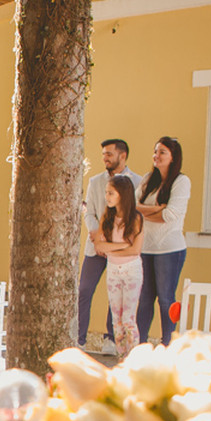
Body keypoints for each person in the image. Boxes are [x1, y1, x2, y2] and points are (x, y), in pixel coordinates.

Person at [79, 139, 142, 352]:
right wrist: (98, 234)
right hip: (98, 242)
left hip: (124, 258)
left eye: (109, 154)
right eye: (103, 154)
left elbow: (135, 220)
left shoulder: (137, 182)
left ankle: (111, 340)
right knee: (85, 290)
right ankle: (79, 339)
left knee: (122, 307)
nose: (105, 157)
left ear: (122, 156)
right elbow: (89, 211)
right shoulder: (96, 182)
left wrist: (111, 245)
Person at [136, 136, 190, 346]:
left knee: (166, 298)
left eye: (162, 152)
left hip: (169, 249)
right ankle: (140, 346)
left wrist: (146, 211)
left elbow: (171, 215)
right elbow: (132, 206)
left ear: (173, 157)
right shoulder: (148, 179)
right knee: (145, 299)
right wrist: (159, 208)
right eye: (156, 151)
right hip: (145, 247)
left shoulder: (181, 182)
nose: (156, 156)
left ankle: (169, 345)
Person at [93, 176, 144, 358]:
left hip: (131, 271)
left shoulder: (135, 219)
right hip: (114, 271)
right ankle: (122, 357)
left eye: (111, 193)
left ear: (122, 195)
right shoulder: (107, 217)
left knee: (128, 318)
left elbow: (135, 250)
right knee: (116, 319)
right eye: (107, 192)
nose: (107, 196)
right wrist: (122, 246)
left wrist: (112, 249)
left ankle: (133, 358)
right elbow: (99, 246)